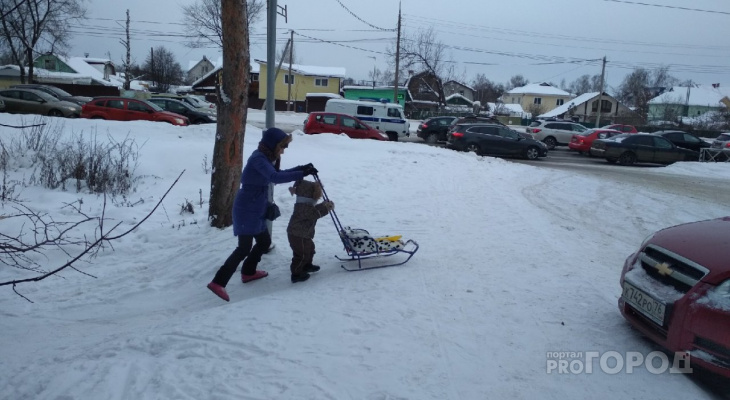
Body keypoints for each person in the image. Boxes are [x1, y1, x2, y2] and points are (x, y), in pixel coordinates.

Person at [207, 127, 318, 302]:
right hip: (246, 208)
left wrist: (302, 168)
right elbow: (274, 177)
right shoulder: (258, 159)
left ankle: (248, 272)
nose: (284, 150)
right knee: (243, 248)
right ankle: (218, 282)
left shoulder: (265, 157)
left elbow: (278, 174)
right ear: (273, 144)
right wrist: (301, 173)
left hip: (256, 206)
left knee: (264, 242)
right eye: (283, 146)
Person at [286, 179, 334, 283]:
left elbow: (314, 209)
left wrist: (323, 205)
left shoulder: (306, 205)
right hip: (297, 235)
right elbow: (313, 214)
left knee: (310, 249)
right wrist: (326, 209)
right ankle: (296, 273)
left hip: (304, 234)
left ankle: (307, 265)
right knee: (301, 254)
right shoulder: (302, 207)